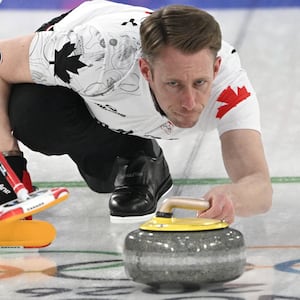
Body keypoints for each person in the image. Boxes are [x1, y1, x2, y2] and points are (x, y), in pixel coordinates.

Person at [0, 0, 272, 224]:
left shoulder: (229, 88)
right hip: (80, 69)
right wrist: (8, 158)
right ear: (146, 71)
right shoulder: (92, 55)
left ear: (215, 70)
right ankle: (131, 155)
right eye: (173, 84)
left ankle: (137, 159)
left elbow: (258, 184)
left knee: (100, 173)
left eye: (199, 83)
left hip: (111, 100)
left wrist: (232, 197)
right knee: (34, 116)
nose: (189, 101)